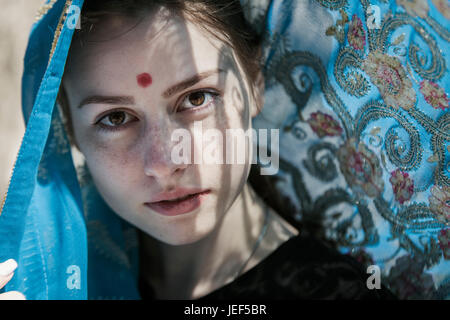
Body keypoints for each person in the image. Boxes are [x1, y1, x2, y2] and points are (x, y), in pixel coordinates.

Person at [0, 0, 395, 300]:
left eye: (196, 98)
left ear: (254, 83)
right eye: (116, 118)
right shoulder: (43, 281)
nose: (166, 162)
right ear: (68, 129)